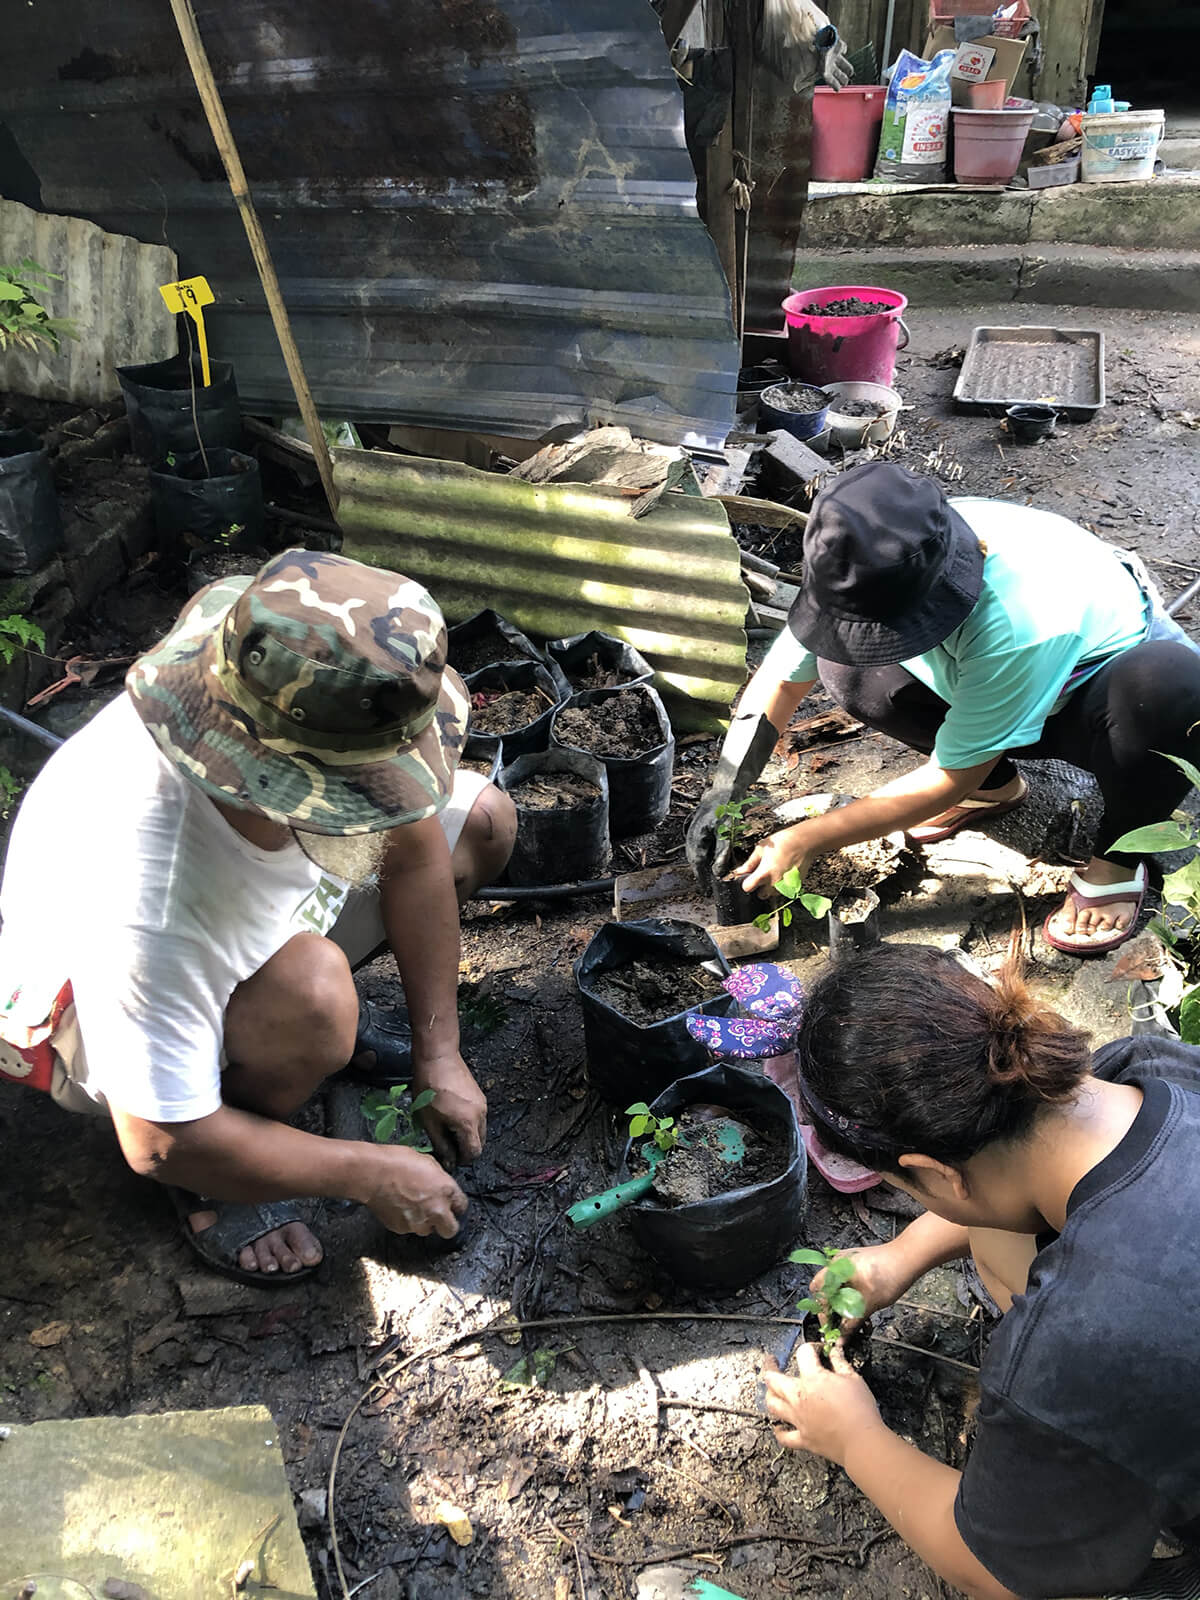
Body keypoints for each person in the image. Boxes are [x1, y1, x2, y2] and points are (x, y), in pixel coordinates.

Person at [0, 551, 516, 1282]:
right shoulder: (151, 892)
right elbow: (156, 1138)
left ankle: (287, 1051)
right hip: (88, 1021)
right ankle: (222, 1171)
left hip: (241, 933)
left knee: (483, 822)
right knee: (313, 998)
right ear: (282, 779)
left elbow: (417, 849)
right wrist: (367, 1173)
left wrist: (440, 1050)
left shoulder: (296, 702)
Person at [762, 943, 1200, 1600]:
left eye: (908, 1187)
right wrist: (900, 1256)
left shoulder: (1086, 1339)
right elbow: (1003, 1189)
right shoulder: (1152, 1070)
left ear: (936, 1172)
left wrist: (853, 1438)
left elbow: (994, 1571)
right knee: (1000, 1245)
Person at [687, 460, 1200, 955]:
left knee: (1170, 690)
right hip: (982, 681)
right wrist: (725, 788)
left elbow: (951, 773)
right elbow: (778, 681)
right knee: (845, 669)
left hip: (1091, 698)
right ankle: (996, 786)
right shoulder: (864, 561)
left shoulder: (1024, 616)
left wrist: (803, 840)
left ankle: (1117, 859)